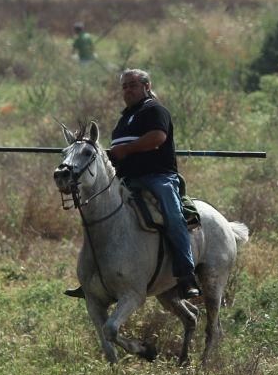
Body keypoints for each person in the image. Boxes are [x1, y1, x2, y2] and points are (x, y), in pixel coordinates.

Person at [65, 69, 201, 301]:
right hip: (126, 180)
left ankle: (186, 274)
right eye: (125, 86)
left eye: (133, 85)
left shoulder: (155, 110)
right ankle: (93, 278)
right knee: (97, 217)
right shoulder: (124, 120)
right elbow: (120, 152)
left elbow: (158, 137)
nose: (127, 90)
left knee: (173, 216)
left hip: (158, 177)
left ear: (146, 87)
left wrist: (126, 149)